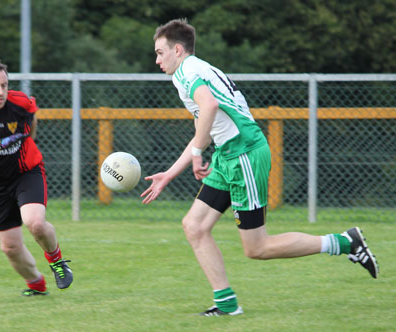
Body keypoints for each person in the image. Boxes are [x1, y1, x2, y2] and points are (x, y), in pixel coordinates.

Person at [141, 19, 379, 317]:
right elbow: (205, 125)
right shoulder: (187, 73)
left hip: (244, 155)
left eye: (160, 52)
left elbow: (210, 106)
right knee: (194, 226)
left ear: (177, 49)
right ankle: (227, 305)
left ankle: (344, 243)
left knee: (257, 247)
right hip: (228, 156)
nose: (157, 60)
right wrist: (169, 174)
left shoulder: (189, 71)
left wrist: (200, 153)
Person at [0, 59, 73, 296]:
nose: (0, 92)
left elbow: (32, 119)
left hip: (26, 173)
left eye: (4, 85)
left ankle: (58, 263)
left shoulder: (20, 103)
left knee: (35, 223)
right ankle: (36, 284)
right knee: (10, 247)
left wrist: (28, 138)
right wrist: (4, 142)